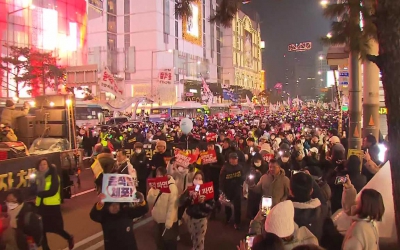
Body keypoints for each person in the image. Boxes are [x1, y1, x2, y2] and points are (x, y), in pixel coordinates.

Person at [34, 158, 74, 250]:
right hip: (40, 206)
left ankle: (68, 237)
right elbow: (33, 189)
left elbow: (53, 191)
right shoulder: (37, 176)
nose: (42, 166)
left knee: (56, 228)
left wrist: (39, 193)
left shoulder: (54, 176)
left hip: (52, 206)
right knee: (42, 229)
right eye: (40, 165)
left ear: (48, 165)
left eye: (44, 164)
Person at [341, 175, 385, 250]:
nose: (356, 200)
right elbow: (351, 208)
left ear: (364, 205)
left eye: (359, 200)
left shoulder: (359, 229)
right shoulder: (371, 223)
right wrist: (349, 188)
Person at [179, 171, 214, 250]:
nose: (198, 180)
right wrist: (189, 198)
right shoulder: (189, 190)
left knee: (200, 240)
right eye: (196, 178)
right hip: (190, 218)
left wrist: (203, 203)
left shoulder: (207, 191)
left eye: (200, 179)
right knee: (194, 237)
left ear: (203, 180)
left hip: (201, 218)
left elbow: (211, 206)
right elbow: (181, 201)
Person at [147, 167, 179, 250]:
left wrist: (169, 222)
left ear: (165, 175)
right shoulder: (156, 186)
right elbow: (149, 201)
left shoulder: (172, 187)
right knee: (159, 242)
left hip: (167, 222)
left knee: (169, 243)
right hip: (157, 220)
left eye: (161, 174)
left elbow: (173, 206)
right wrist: (153, 190)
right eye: (157, 174)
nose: (159, 176)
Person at [219, 152, 243, 230]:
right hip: (228, 189)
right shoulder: (225, 168)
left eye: (235, 159)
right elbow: (221, 179)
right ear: (229, 159)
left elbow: (243, 177)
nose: (234, 160)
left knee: (237, 207)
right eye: (232, 159)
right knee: (227, 205)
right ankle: (228, 218)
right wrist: (222, 190)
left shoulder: (240, 167)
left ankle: (237, 222)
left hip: (237, 189)